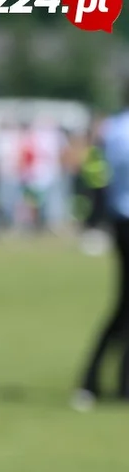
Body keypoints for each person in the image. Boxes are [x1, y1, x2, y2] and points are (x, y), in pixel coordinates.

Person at [75, 87, 129, 409]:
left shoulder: (112, 129)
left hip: (119, 218)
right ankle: (92, 380)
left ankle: (117, 383)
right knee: (124, 307)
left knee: (125, 306)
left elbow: (98, 175)